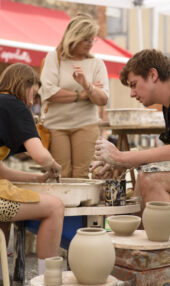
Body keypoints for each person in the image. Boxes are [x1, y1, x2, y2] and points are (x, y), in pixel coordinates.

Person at [92, 49, 170, 212]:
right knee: (144, 177)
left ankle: (161, 237)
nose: (132, 94)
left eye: (134, 85)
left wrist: (122, 157)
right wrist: (123, 161)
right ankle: (137, 232)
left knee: (151, 180)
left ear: (153, 75)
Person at [0, 63, 64, 282]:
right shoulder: (15, 106)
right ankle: (48, 283)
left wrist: (37, 178)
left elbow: (0, 171)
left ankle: (1, 282)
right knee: (55, 207)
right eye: (34, 94)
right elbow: (40, 155)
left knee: (4, 217)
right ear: (24, 85)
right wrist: (54, 166)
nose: (31, 101)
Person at [39, 13, 109, 178]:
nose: (90, 44)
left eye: (93, 39)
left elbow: (103, 99)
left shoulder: (97, 63)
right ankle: (62, 205)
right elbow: (49, 93)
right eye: (86, 39)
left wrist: (87, 85)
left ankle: (81, 204)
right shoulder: (54, 58)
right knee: (61, 174)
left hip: (86, 124)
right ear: (74, 37)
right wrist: (84, 94)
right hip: (56, 126)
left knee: (81, 174)